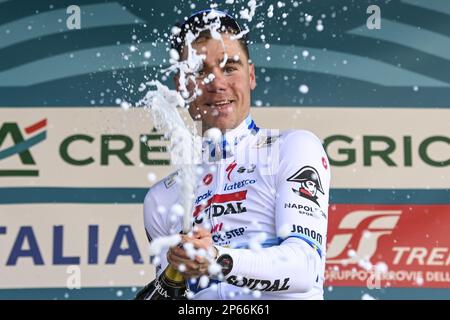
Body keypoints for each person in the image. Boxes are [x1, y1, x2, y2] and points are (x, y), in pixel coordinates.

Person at [142, 9, 331, 300]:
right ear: (181, 86)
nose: (217, 83)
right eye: (200, 71)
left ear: (251, 75)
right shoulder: (162, 198)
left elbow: (306, 269)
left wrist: (217, 259)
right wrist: (174, 273)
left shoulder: (292, 148)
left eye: (230, 67)